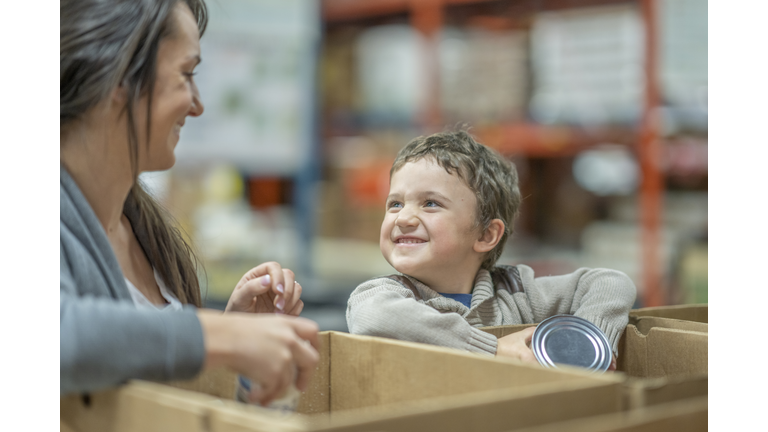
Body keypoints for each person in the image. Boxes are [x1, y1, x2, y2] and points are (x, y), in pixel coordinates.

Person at [60, 0, 319, 406]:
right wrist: (220, 336)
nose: (197, 105)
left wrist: (231, 345)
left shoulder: (144, 227)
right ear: (116, 77)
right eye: (185, 74)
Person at [346, 130, 636, 366]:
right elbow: (374, 317)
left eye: (430, 203)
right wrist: (493, 350)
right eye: (395, 203)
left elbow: (609, 282)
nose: (404, 218)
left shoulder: (517, 292)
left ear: (486, 235)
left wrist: (588, 346)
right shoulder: (387, 293)